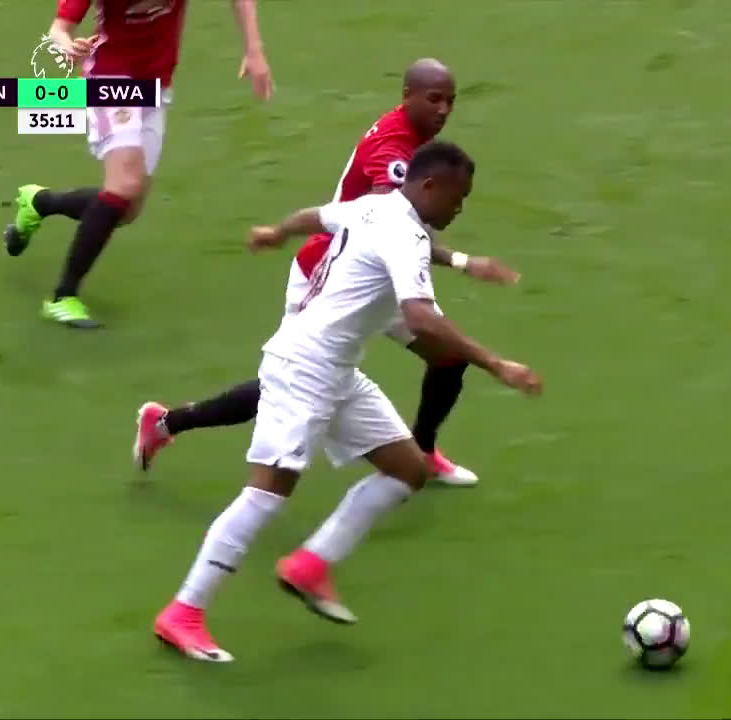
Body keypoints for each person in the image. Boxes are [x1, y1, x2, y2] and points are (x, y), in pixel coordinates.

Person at [152, 141, 542, 662]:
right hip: (303, 369)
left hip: (335, 371)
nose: (460, 208)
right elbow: (421, 317)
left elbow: (315, 216)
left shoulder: (375, 206)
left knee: (408, 469)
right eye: (458, 197)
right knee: (266, 494)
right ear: (430, 186)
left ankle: (311, 565)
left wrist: (276, 231)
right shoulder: (404, 232)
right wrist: (497, 364)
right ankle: (183, 612)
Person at [133, 59, 518, 486]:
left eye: (450, 101)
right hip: (332, 274)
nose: (443, 110)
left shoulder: (415, 141)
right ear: (407, 96)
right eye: (434, 99)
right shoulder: (391, 150)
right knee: (286, 384)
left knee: (449, 356)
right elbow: (389, 231)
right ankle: (166, 423)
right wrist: (463, 262)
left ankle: (422, 453)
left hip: (382, 277)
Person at [2, 0, 274, 329]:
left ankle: (39, 203)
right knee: (125, 185)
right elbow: (59, 28)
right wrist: (68, 46)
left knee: (126, 208)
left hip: (156, 86)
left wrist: (254, 50)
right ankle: (62, 297)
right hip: (110, 78)